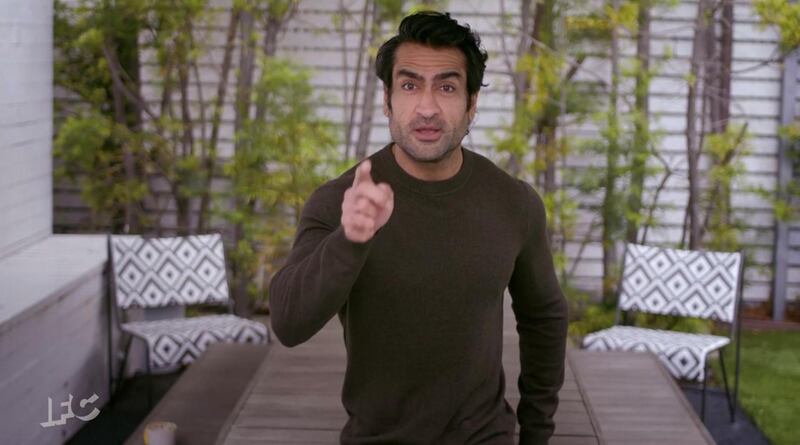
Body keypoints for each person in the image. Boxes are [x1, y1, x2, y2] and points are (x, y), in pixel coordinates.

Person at [269, 11, 568, 445]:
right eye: (410, 85)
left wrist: (537, 433)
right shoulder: (341, 201)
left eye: (446, 87)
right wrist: (349, 239)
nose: (427, 107)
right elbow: (288, 323)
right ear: (387, 99)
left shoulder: (513, 202)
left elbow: (545, 317)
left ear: (471, 103)